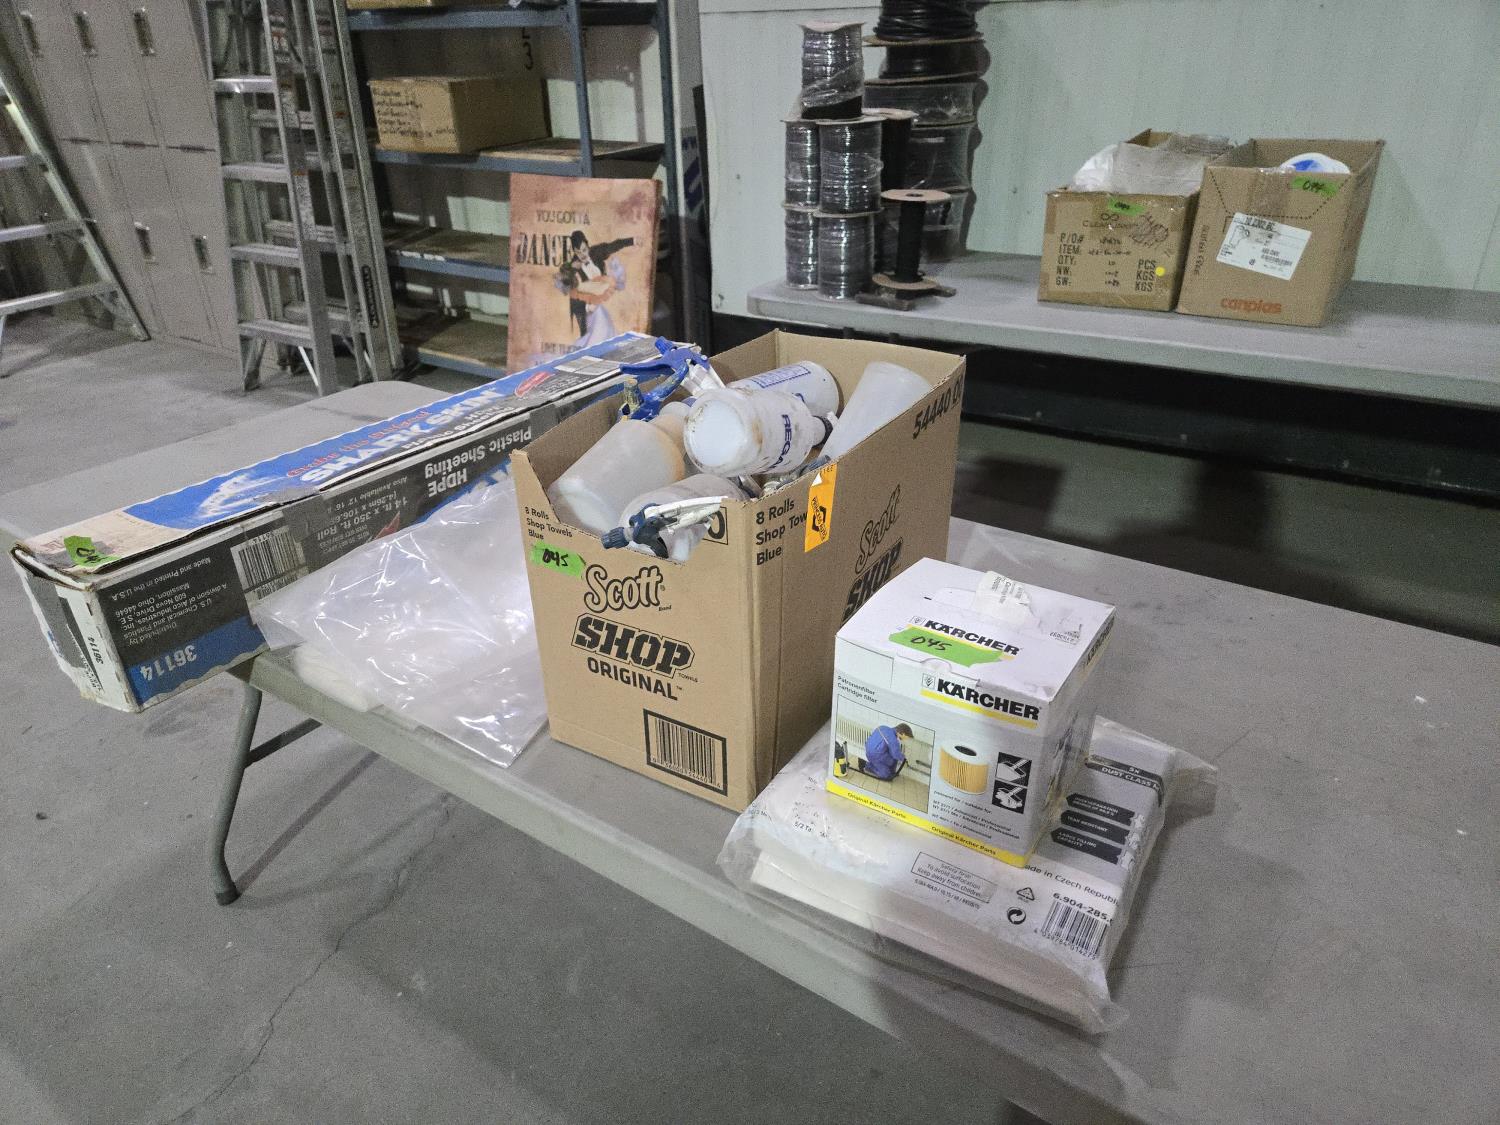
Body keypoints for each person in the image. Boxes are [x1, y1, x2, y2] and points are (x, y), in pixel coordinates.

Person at [555, 230, 636, 341]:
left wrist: (633, 241)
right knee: (588, 335)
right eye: (578, 252)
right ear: (574, 252)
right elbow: (563, 273)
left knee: (605, 327)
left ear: (588, 246)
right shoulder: (574, 263)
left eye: (584, 250)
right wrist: (571, 267)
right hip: (586, 305)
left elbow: (615, 245)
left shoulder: (597, 252)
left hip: (603, 296)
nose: (582, 255)